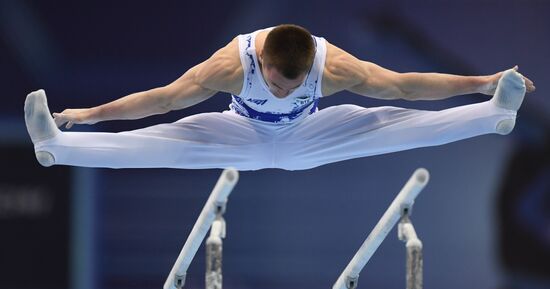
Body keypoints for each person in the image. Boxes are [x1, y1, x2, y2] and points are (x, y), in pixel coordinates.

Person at [24, 24, 535, 171]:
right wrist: (87, 114)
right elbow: (162, 101)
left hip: (309, 134)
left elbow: (405, 85)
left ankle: (493, 113)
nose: (283, 89)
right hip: (239, 134)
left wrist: (482, 81)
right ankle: (56, 145)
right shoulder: (229, 65)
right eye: (275, 82)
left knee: (389, 122)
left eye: (293, 85)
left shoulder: (334, 67)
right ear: (261, 60)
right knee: (166, 141)